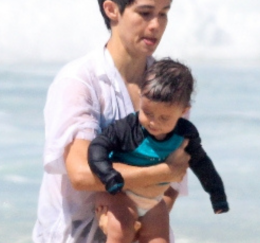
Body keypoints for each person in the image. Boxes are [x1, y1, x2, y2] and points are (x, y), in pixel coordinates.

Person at [32, 0, 191, 243]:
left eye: (164, 14)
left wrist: (139, 219)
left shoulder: (169, 88)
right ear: (112, 9)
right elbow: (80, 172)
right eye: (145, 13)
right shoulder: (80, 81)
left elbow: (170, 187)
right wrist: (161, 171)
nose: (156, 26)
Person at [88, 58, 229, 243]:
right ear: (141, 97)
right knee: (121, 234)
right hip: (119, 195)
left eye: (164, 118)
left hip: (154, 200)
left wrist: (217, 195)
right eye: (147, 112)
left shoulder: (185, 134)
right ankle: (115, 224)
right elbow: (97, 147)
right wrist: (108, 176)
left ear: (183, 111)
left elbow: (202, 164)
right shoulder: (127, 129)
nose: (153, 122)